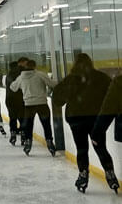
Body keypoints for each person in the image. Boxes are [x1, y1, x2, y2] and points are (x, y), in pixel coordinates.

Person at [53, 53, 118, 193]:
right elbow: (113, 95)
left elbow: (58, 99)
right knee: (100, 147)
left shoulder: (70, 80)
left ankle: (83, 174)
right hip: (96, 120)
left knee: (82, 149)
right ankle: (110, 173)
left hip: (76, 120)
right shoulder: (101, 78)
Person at [10, 60, 57, 156]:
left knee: (29, 125)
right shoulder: (40, 74)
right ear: (35, 66)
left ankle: (28, 143)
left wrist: (24, 87)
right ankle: (49, 143)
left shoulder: (21, 77)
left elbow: (13, 87)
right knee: (46, 125)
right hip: (42, 104)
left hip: (28, 105)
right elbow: (52, 84)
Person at [5, 61, 25, 146]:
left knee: (12, 118)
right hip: (20, 99)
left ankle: (13, 135)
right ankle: (23, 135)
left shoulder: (8, 76)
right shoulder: (21, 75)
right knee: (22, 118)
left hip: (10, 99)